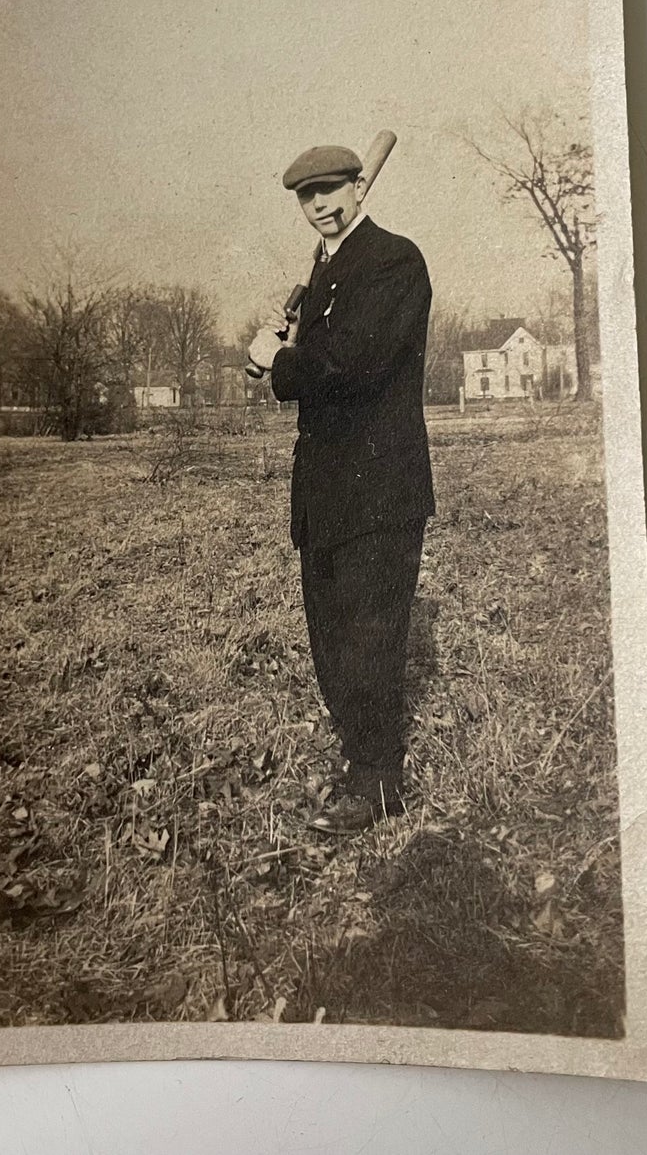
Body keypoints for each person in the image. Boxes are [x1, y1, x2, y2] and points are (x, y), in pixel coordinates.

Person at [247, 144, 435, 834]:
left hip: (378, 488)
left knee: (370, 637)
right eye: (308, 195)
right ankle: (360, 760)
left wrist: (281, 360)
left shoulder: (392, 260)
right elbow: (321, 360)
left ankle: (380, 782)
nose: (321, 204)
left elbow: (351, 366)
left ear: (359, 187)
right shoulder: (327, 271)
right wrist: (288, 347)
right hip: (325, 490)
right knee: (331, 636)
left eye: (331, 189)